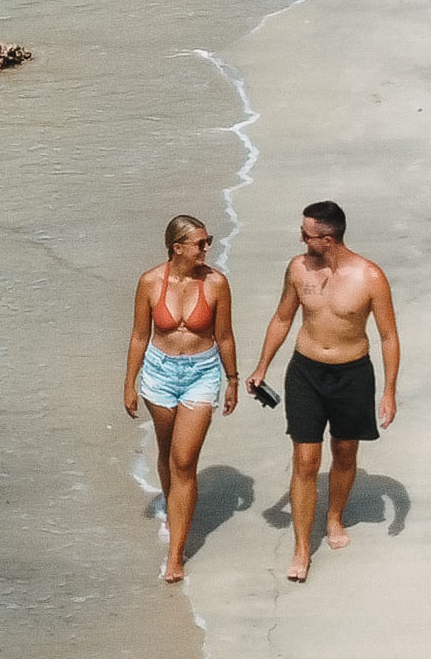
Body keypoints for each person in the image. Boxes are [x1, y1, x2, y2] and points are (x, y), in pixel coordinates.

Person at [246, 199, 399, 582]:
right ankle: (301, 549)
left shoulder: (370, 277)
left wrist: (390, 391)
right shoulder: (298, 269)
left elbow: (388, 336)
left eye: (306, 234)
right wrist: (262, 366)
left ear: (327, 239)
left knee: (344, 453)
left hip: (353, 374)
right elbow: (283, 318)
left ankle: (334, 517)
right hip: (306, 373)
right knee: (305, 460)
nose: (301, 239)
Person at [126, 214, 235, 584]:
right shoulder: (150, 282)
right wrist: (130, 383)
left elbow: (225, 336)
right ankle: (177, 510)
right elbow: (140, 335)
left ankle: (176, 553)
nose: (208, 248)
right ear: (178, 248)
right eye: (200, 243)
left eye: (209, 241)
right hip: (158, 373)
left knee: (185, 460)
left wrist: (232, 380)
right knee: (167, 452)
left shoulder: (217, 284)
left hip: (202, 374)